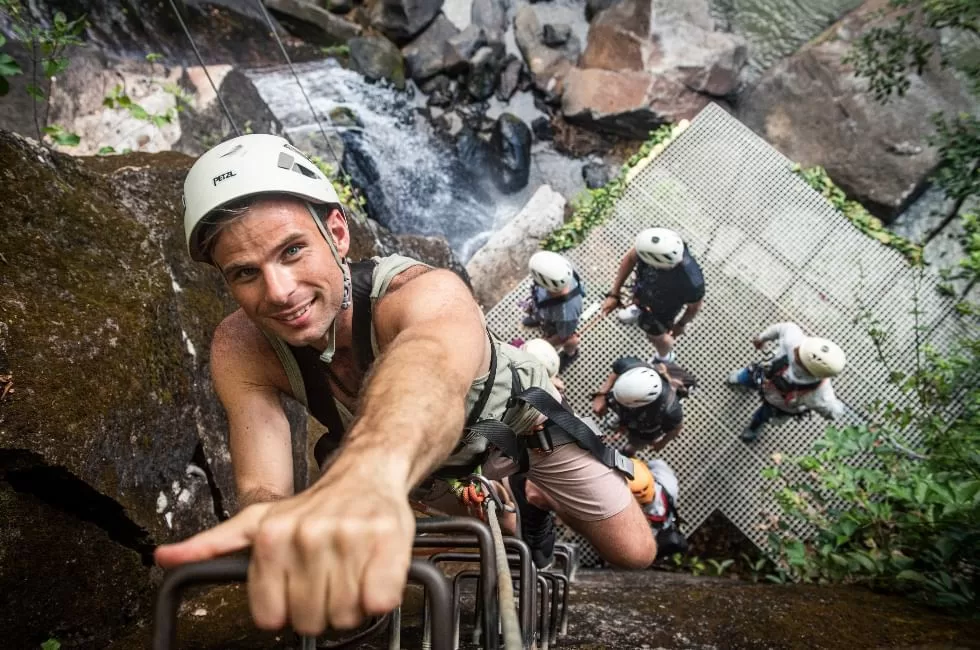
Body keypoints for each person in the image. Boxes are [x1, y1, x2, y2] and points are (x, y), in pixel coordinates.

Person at [153, 134, 655, 636]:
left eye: (292, 250)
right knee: (484, 540)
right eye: (246, 273)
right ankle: (505, 504)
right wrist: (275, 524)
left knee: (634, 552)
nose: (279, 291)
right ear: (225, 280)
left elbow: (429, 367)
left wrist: (371, 471)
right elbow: (263, 484)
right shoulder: (241, 347)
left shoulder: (424, 293)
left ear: (337, 233)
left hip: (517, 428)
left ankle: (530, 497)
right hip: (421, 470)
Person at [727, 322, 846, 442]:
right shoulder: (796, 342)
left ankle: (753, 428)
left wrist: (833, 406)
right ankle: (738, 380)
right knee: (746, 376)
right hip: (765, 374)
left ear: (808, 371)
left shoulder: (820, 394)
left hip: (779, 403)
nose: (796, 350)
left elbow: (832, 411)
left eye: (799, 357)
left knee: (763, 416)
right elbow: (782, 328)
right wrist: (762, 338)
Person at [600, 228, 704, 362]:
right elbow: (631, 258)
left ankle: (664, 356)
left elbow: (694, 307)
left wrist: (681, 324)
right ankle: (638, 308)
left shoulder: (691, 283)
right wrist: (614, 294)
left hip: (662, 309)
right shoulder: (656, 246)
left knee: (655, 336)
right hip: (644, 289)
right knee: (638, 298)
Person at [591, 356, 696, 456]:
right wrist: (601, 395)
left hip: (648, 422)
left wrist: (662, 443)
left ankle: (630, 449)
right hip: (634, 408)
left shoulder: (670, 411)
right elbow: (616, 371)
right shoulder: (632, 366)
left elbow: (677, 428)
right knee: (623, 420)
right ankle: (622, 427)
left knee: (640, 439)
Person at [521, 251, 584, 371]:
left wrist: (544, 344)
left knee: (571, 340)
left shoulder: (566, 314)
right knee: (541, 316)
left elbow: (563, 336)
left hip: (556, 322)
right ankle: (537, 319)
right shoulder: (561, 273)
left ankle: (571, 354)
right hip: (544, 309)